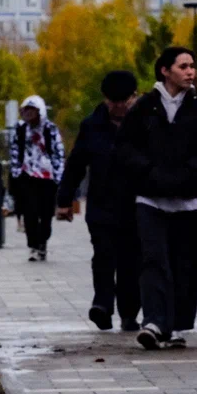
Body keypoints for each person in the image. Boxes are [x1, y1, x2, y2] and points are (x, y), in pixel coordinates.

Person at [116, 47, 197, 351]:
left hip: (187, 200)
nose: (190, 71)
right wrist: (148, 171)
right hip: (150, 199)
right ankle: (153, 322)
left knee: (183, 262)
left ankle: (176, 324)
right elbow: (125, 147)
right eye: (183, 66)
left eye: (192, 66)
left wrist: (191, 171)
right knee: (153, 259)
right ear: (165, 70)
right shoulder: (144, 108)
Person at [56, 70, 142, 332]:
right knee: (103, 255)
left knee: (131, 260)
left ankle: (129, 313)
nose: (118, 107)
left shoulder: (144, 123)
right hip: (102, 204)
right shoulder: (92, 125)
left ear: (134, 97)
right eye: (112, 101)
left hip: (136, 204)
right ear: (105, 99)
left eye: (123, 101)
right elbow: (76, 164)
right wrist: (64, 200)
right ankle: (102, 305)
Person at [9, 94, 65, 262]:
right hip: (27, 176)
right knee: (29, 212)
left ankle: (42, 242)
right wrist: (16, 173)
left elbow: (58, 152)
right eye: (26, 111)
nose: (29, 115)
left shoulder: (50, 129)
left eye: (33, 111)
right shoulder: (20, 129)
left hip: (47, 177)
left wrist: (59, 175)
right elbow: (14, 152)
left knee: (46, 214)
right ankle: (33, 246)